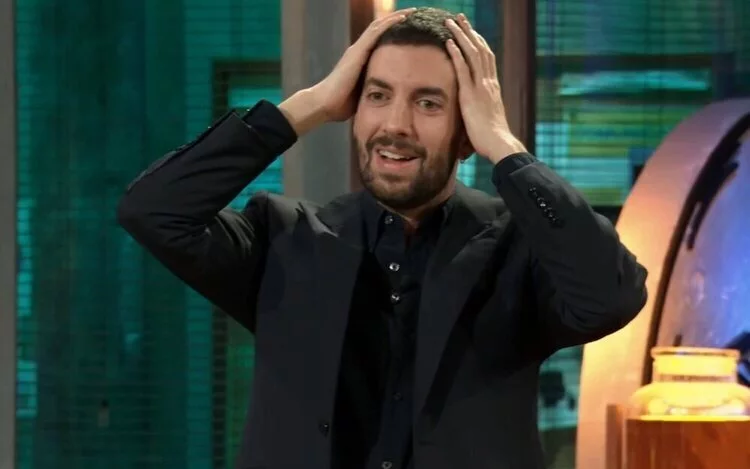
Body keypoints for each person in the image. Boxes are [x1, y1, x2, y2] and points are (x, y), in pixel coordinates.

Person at [117, 7, 647, 469]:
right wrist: (310, 105)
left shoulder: (520, 253)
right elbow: (154, 210)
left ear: (468, 133)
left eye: (428, 103)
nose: (395, 124)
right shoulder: (283, 239)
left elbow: (612, 296)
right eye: (377, 95)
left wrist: (506, 148)